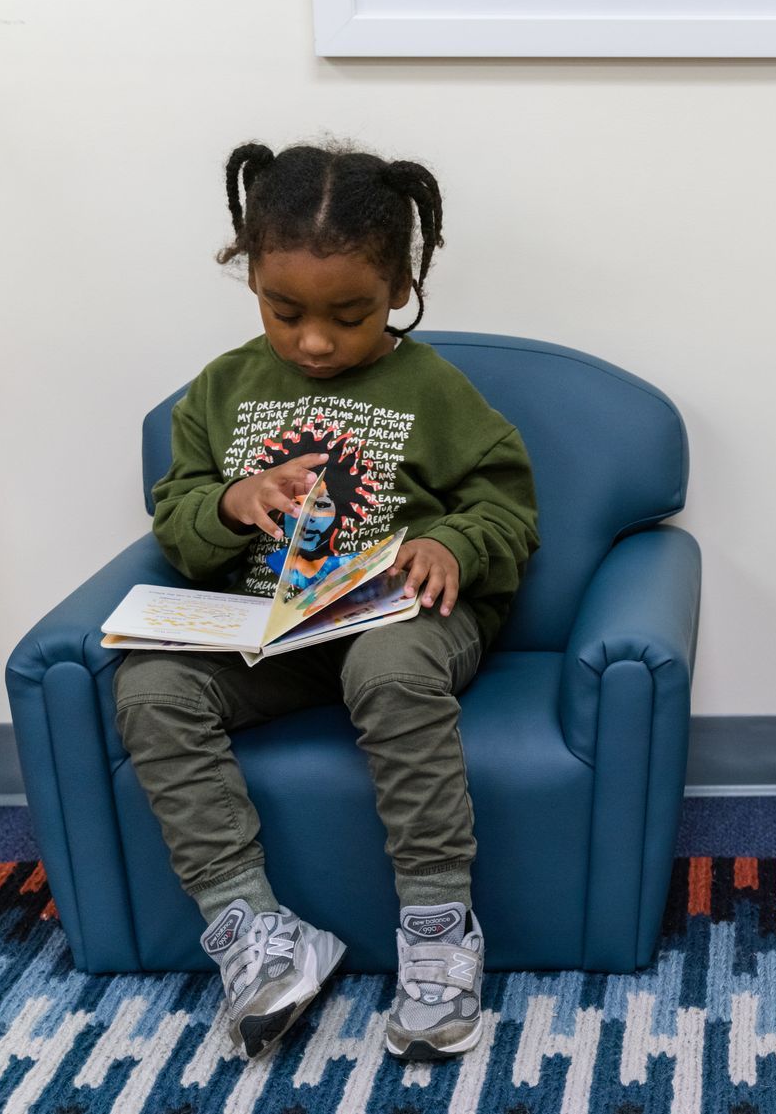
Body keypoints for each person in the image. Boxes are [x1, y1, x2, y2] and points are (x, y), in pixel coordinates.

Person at [113, 141, 540, 1063]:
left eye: (348, 315)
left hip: (401, 622)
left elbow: (507, 510)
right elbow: (178, 520)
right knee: (149, 687)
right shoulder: (221, 391)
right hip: (274, 632)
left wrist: (449, 542)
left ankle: (437, 931)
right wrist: (230, 503)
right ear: (253, 279)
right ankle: (257, 933)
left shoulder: (434, 390)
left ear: (398, 286)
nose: (313, 340)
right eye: (285, 311)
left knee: (385, 663)